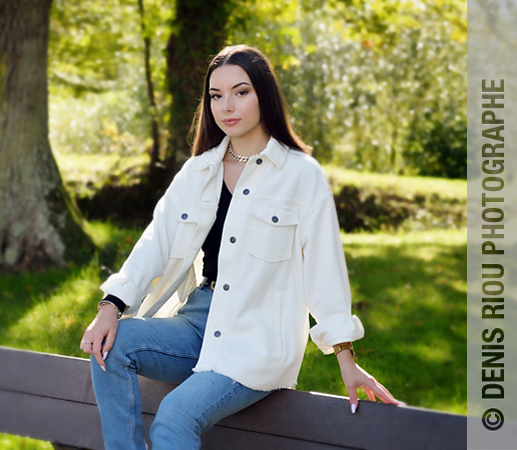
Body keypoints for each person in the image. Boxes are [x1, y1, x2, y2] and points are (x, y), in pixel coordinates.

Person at [79, 44, 403, 450]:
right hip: (198, 321)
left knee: (174, 419)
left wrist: (346, 359)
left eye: (240, 92)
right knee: (112, 346)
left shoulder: (301, 175)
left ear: (263, 95)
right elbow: (154, 242)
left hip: (258, 338)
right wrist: (110, 308)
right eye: (216, 96)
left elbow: (324, 270)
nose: (226, 106)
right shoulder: (199, 170)